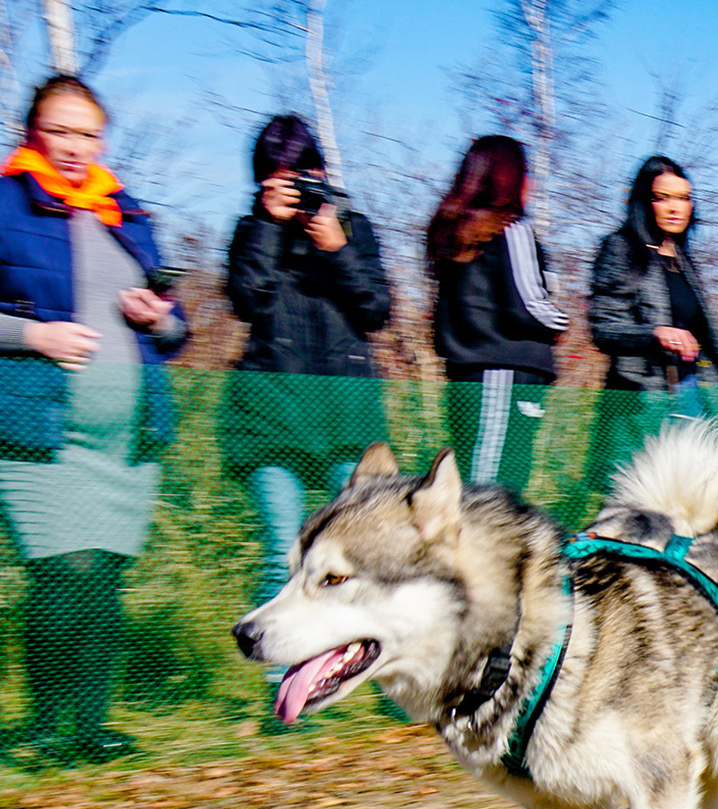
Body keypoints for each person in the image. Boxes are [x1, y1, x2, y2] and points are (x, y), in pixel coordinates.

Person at [0, 75, 187, 761]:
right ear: (33, 134)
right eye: (61, 131)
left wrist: (161, 318)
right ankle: (46, 729)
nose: (75, 147)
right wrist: (34, 338)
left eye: (87, 134)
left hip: (127, 437)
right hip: (40, 431)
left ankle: (88, 729)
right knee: (64, 569)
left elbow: (177, 332)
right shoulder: (4, 203)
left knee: (104, 574)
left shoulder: (125, 212)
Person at [224, 114, 392, 612]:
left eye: (304, 175)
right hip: (270, 420)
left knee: (356, 556)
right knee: (282, 555)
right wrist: (268, 228)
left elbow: (376, 310)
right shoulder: (251, 230)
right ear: (262, 181)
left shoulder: (353, 227)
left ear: (320, 171)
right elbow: (245, 300)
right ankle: (280, 683)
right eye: (281, 178)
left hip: (345, 419)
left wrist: (337, 249)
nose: (298, 189)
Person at [579, 155, 718, 514]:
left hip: (693, 397)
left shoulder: (682, 257)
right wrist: (655, 334)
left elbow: (704, 332)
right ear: (643, 202)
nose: (675, 207)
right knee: (633, 506)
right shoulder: (620, 248)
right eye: (662, 197)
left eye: (683, 198)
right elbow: (603, 327)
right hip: (641, 401)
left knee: (696, 503)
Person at [427, 135, 568, 494]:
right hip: (506, 373)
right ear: (511, 179)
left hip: (465, 373)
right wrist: (560, 321)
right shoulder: (513, 230)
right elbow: (528, 307)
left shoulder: (457, 234)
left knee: (475, 475)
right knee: (492, 486)